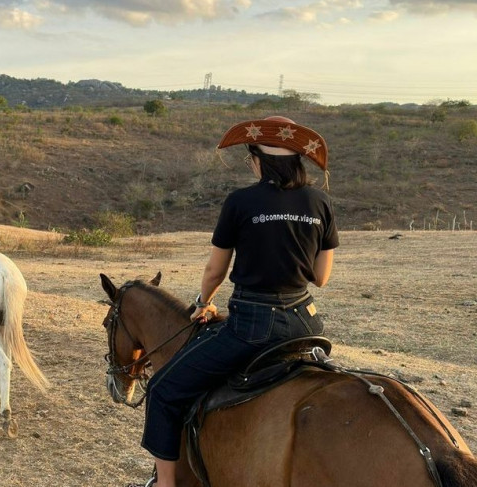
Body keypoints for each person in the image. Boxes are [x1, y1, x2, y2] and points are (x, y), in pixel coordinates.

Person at [140, 116, 338, 487]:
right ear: (296, 161)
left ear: (258, 159)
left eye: (250, 159)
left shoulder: (241, 202)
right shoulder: (320, 201)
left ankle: (164, 483)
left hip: (252, 326)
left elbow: (215, 271)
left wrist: (203, 302)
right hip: (306, 323)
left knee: (162, 389)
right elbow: (321, 277)